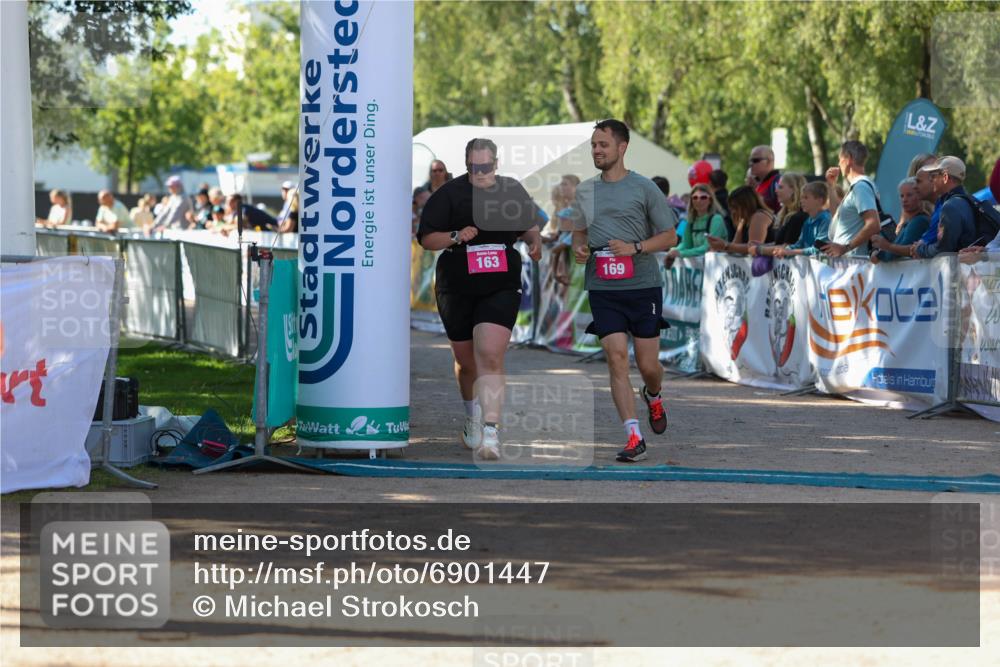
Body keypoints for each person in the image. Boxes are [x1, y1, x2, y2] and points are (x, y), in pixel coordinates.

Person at [417, 138, 543, 461]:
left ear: (496, 164)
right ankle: (471, 414)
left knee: (489, 353)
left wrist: (534, 241)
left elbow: (530, 225)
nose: (480, 173)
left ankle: (491, 431)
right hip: (456, 284)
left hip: (500, 283)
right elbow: (428, 237)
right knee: (466, 361)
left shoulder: (510, 189)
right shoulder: (450, 193)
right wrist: (457, 236)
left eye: (486, 167)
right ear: (466, 164)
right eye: (474, 168)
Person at [568, 119, 678, 463]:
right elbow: (579, 233)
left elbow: (670, 236)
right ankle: (634, 436)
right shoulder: (585, 190)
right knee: (616, 359)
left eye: (603, 144)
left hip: (642, 285)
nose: (597, 150)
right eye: (593, 145)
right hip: (603, 286)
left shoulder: (644, 188)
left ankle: (654, 393)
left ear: (622, 147)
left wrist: (636, 247)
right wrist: (580, 248)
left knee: (647, 366)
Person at [821, 141, 881, 258]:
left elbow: (874, 224)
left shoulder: (861, 187)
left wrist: (845, 248)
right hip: (847, 265)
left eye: (840, 159)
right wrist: (831, 187)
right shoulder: (856, 187)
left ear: (848, 159)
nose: (838, 163)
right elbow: (837, 220)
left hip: (854, 266)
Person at [912, 156, 979, 259]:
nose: (931, 180)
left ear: (945, 177)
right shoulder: (969, 200)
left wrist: (920, 249)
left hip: (961, 272)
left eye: (933, 176)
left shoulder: (950, 206)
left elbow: (943, 250)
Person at [869, 178, 931, 262]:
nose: (904, 200)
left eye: (909, 195)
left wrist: (882, 251)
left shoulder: (920, 221)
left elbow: (897, 253)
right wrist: (876, 251)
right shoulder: (910, 222)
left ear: (920, 196)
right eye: (902, 196)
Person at [665, 183, 726, 264]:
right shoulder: (690, 221)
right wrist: (673, 251)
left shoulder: (717, 219)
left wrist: (681, 253)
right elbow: (686, 244)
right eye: (695, 197)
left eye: (703, 197)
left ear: (710, 200)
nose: (699, 200)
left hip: (716, 267)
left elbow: (708, 247)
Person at [706, 185, 774, 255]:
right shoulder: (743, 220)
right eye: (731, 208)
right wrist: (719, 245)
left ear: (746, 204)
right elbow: (734, 247)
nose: (733, 211)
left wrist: (725, 245)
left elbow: (753, 248)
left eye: (735, 207)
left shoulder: (759, 216)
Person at [772, 181, 831, 258]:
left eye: (806, 197)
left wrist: (790, 252)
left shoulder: (826, 220)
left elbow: (819, 250)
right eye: (801, 198)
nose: (801, 201)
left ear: (820, 200)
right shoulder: (808, 221)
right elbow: (800, 244)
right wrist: (783, 250)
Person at [772, 172, 808, 246]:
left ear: (794, 189)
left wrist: (759, 249)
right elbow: (777, 244)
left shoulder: (799, 217)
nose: (776, 190)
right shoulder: (785, 214)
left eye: (780, 187)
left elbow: (786, 249)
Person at [749, 145, 781, 212]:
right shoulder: (757, 184)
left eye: (755, 160)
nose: (751, 164)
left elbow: (780, 215)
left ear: (769, 161)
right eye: (750, 161)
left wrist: (756, 195)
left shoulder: (778, 182)